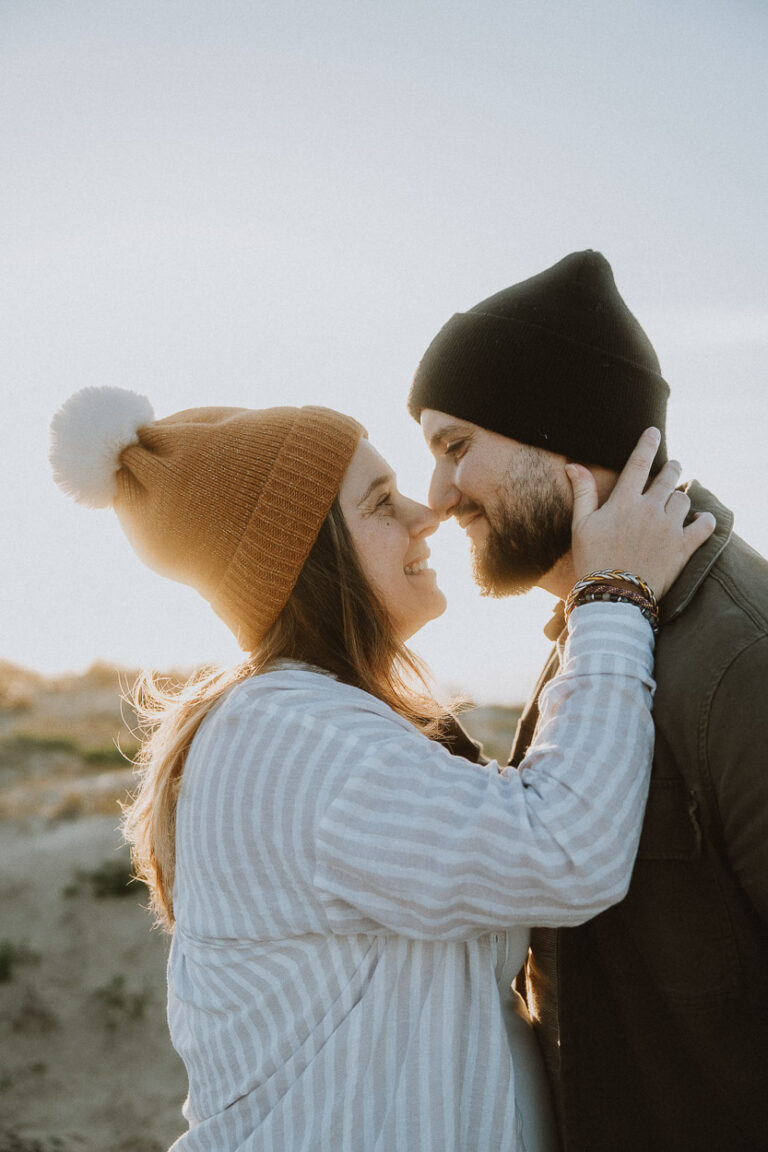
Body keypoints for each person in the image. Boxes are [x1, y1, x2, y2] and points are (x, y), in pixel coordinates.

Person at [49, 386, 711, 1152]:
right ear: (307, 557)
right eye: (380, 502)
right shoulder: (291, 735)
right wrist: (613, 593)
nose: (425, 513)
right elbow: (566, 849)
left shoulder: (317, 722)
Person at [408, 249, 768, 1152]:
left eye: (456, 447)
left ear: (563, 436)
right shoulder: (602, 626)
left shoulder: (739, 657)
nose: (437, 496)